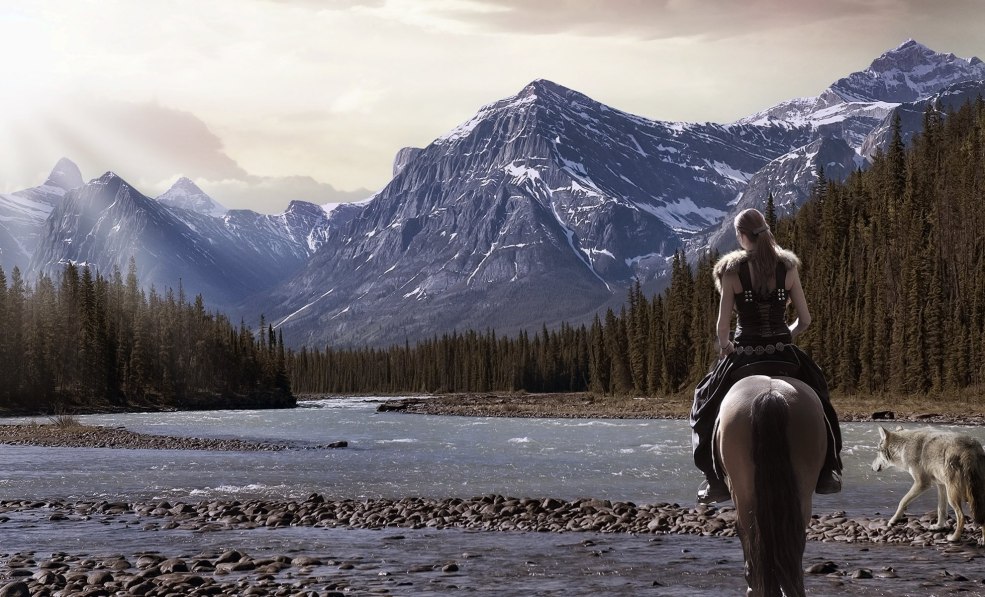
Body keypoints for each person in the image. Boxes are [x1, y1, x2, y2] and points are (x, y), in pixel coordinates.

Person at [690, 208, 843, 504]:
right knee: (822, 399)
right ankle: (827, 471)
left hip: (743, 354)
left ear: (741, 236)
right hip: (783, 352)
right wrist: (785, 336)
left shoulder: (731, 272)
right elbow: (806, 320)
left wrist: (726, 346)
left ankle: (713, 481)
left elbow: (722, 328)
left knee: (703, 404)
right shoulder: (787, 267)